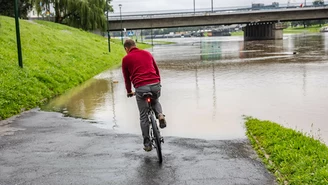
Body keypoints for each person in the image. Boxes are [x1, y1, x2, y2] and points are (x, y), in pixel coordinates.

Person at [121, 39, 166, 152]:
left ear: (126, 49)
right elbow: (156, 70)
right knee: (155, 100)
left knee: (143, 116)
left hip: (141, 88)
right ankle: (160, 115)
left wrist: (129, 91)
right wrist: (158, 83)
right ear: (135, 45)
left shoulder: (126, 59)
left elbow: (127, 78)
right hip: (155, 84)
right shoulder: (147, 53)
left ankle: (147, 144)